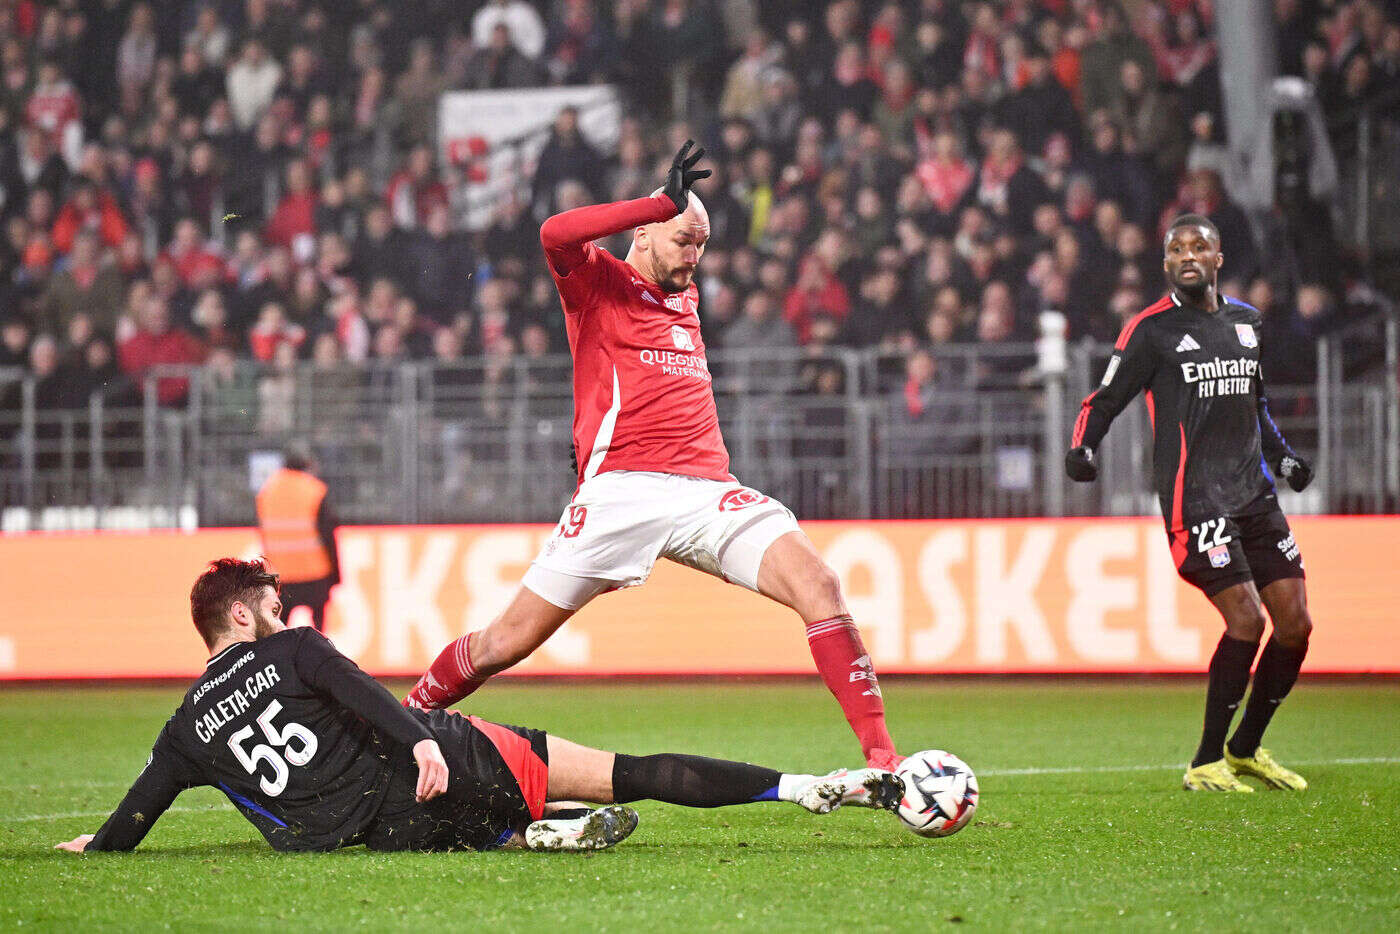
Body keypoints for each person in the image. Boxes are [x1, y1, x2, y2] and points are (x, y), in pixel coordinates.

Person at [404, 143, 904, 771]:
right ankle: (405, 727)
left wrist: (676, 217)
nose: (693, 258)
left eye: (702, 246)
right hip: (621, 490)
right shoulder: (598, 284)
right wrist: (658, 201)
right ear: (643, 231)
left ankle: (885, 761)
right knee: (505, 643)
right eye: (682, 241)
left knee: (820, 584)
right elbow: (554, 232)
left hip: (705, 490)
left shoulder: (687, 298)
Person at [53, 559, 903, 855]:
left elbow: (133, 819)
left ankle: (528, 834)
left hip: (381, 836)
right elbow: (367, 696)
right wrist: (423, 745)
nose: (281, 610)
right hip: (440, 764)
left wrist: (99, 845)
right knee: (627, 773)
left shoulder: (183, 732)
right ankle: (799, 787)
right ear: (241, 615)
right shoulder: (295, 646)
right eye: (271, 604)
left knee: (495, 817)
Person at [1065, 214, 1315, 793]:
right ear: (1166, 265)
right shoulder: (1150, 330)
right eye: (1176, 249)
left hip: (1255, 497)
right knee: (1247, 619)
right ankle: (1205, 760)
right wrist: (1082, 447)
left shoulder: (1247, 324)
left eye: (1198, 246)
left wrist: (1283, 458)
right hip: (1196, 501)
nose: (1187, 255)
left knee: (1297, 625)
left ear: (1218, 257)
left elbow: (1257, 408)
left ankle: (1246, 749)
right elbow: (1102, 399)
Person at [255, 442, 340, 631]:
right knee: (319, 629)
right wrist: (336, 574)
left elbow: (263, 532)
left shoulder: (267, 491)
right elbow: (328, 536)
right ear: (307, 463)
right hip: (314, 571)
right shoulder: (314, 490)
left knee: (279, 630)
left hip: (281, 576)